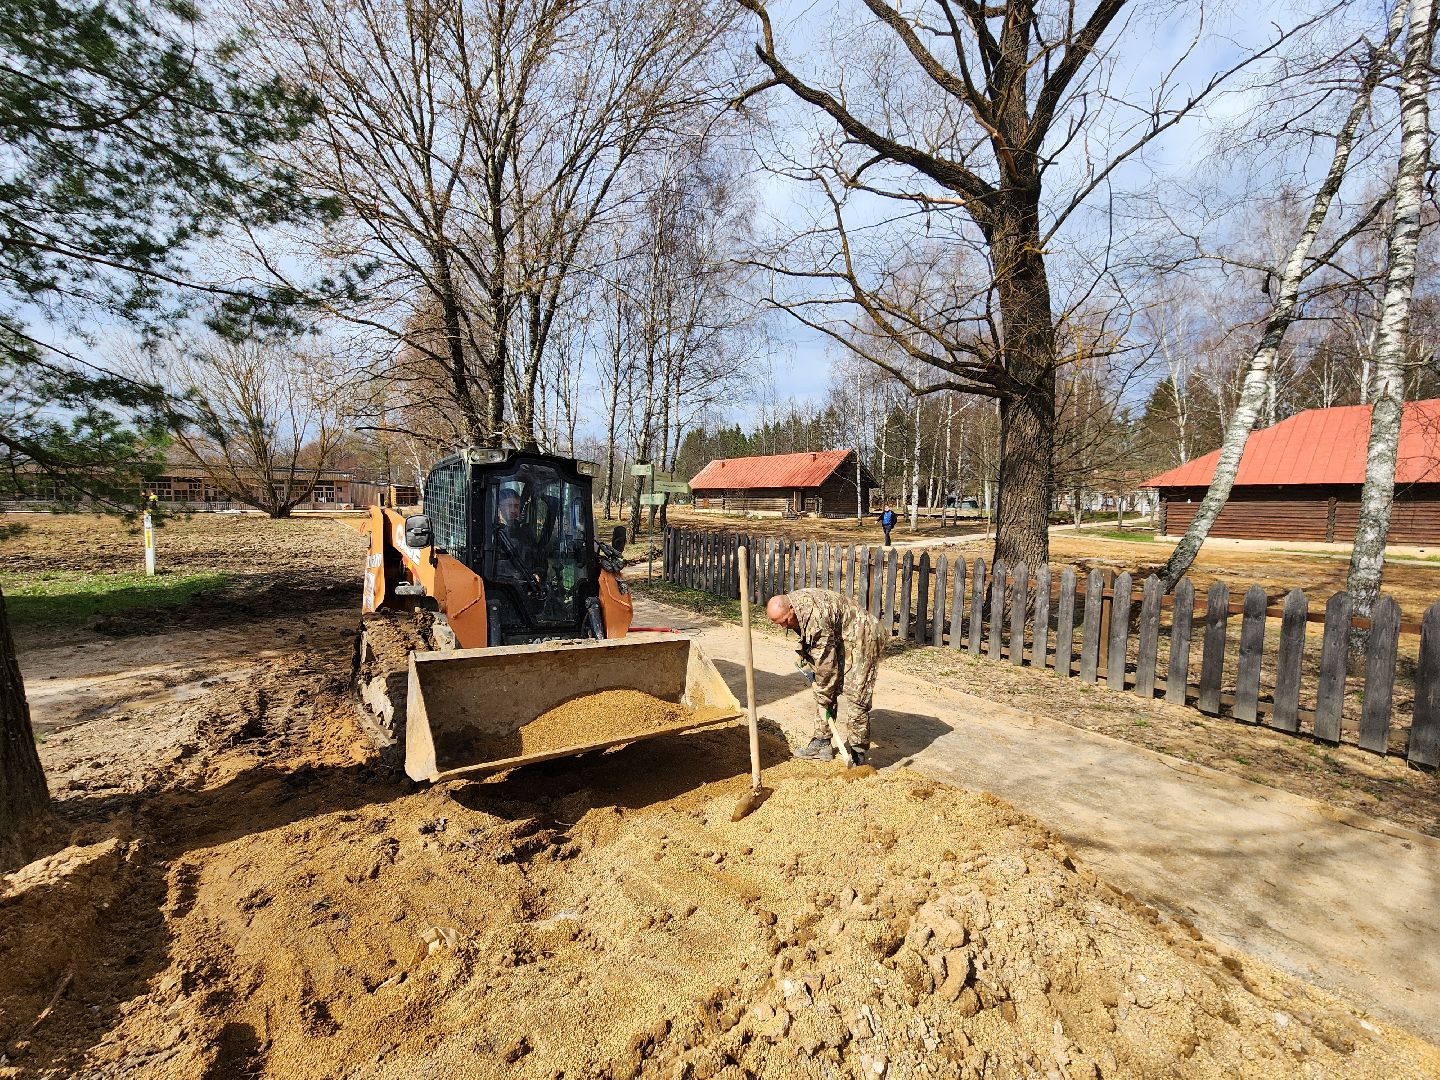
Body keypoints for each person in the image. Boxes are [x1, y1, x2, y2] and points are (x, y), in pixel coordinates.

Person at [766, 588, 884, 765]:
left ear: (790, 608)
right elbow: (816, 646)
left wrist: (823, 691)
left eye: (784, 621)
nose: (783, 626)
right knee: (825, 688)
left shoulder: (815, 617)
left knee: (856, 693)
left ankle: (858, 751)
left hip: (864, 636)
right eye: (778, 623)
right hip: (840, 634)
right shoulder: (796, 608)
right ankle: (822, 742)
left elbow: (826, 668)